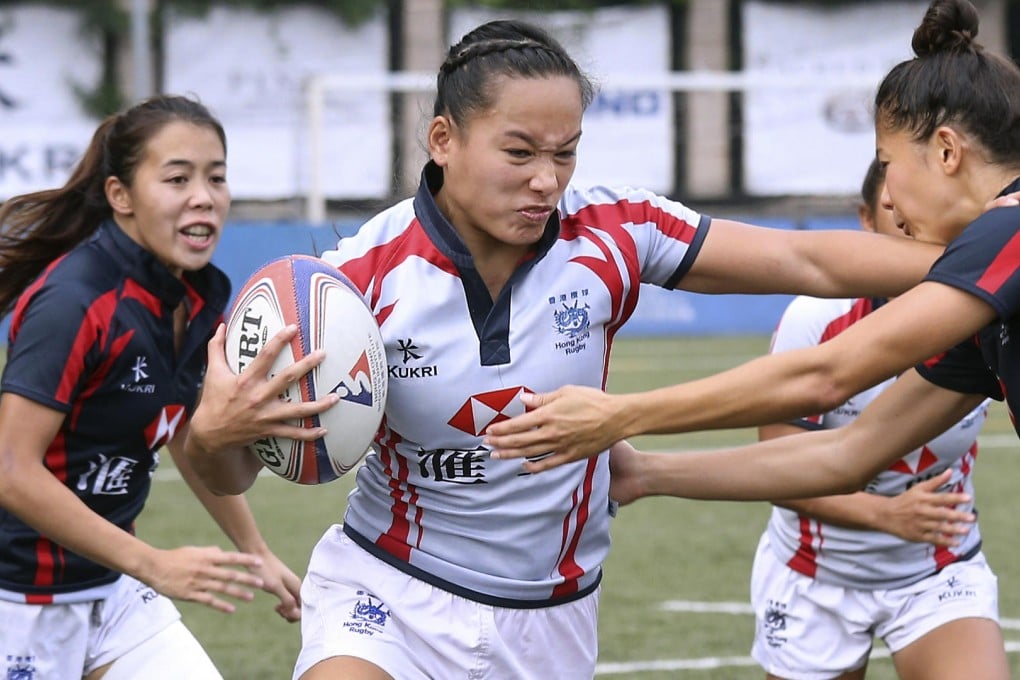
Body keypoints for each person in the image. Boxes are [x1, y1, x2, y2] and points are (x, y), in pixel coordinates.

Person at [184, 19, 954, 680]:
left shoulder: (618, 231)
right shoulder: (350, 286)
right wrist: (217, 436)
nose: (546, 181)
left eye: (566, 153)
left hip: (552, 615)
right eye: (520, 153)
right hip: (388, 591)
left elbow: (806, 261)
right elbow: (233, 467)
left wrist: (984, 263)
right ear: (444, 140)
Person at [482, 0, 1020, 486]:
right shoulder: (988, 286)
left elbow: (826, 375)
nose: (888, 200)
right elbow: (849, 454)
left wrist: (620, 414)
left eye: (887, 164)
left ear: (946, 151)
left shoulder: (1009, 230)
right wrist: (645, 473)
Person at [0, 94, 302, 680]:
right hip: (19, 598)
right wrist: (153, 563)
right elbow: (12, 469)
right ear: (121, 196)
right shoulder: (75, 301)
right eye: (178, 178)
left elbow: (184, 429)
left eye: (216, 178)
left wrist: (255, 550)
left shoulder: (198, 298)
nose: (203, 196)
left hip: (113, 593)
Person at [744, 157, 1006, 679]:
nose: (913, 227)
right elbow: (777, 466)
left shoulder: (987, 312)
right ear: (868, 219)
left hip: (939, 569)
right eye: (895, 212)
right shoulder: (815, 319)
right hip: (815, 573)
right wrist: (885, 515)